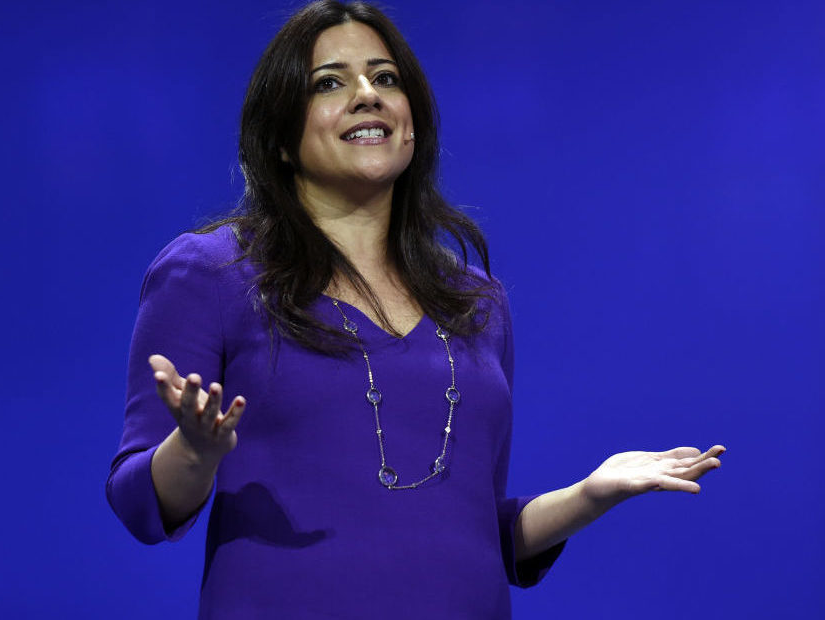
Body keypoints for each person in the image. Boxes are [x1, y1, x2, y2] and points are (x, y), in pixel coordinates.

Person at [107, 2, 725, 618]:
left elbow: (481, 531)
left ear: (412, 124)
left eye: (386, 78)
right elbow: (140, 502)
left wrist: (589, 495)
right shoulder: (211, 272)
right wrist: (193, 451)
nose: (366, 94)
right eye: (329, 82)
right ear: (280, 140)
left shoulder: (476, 301)